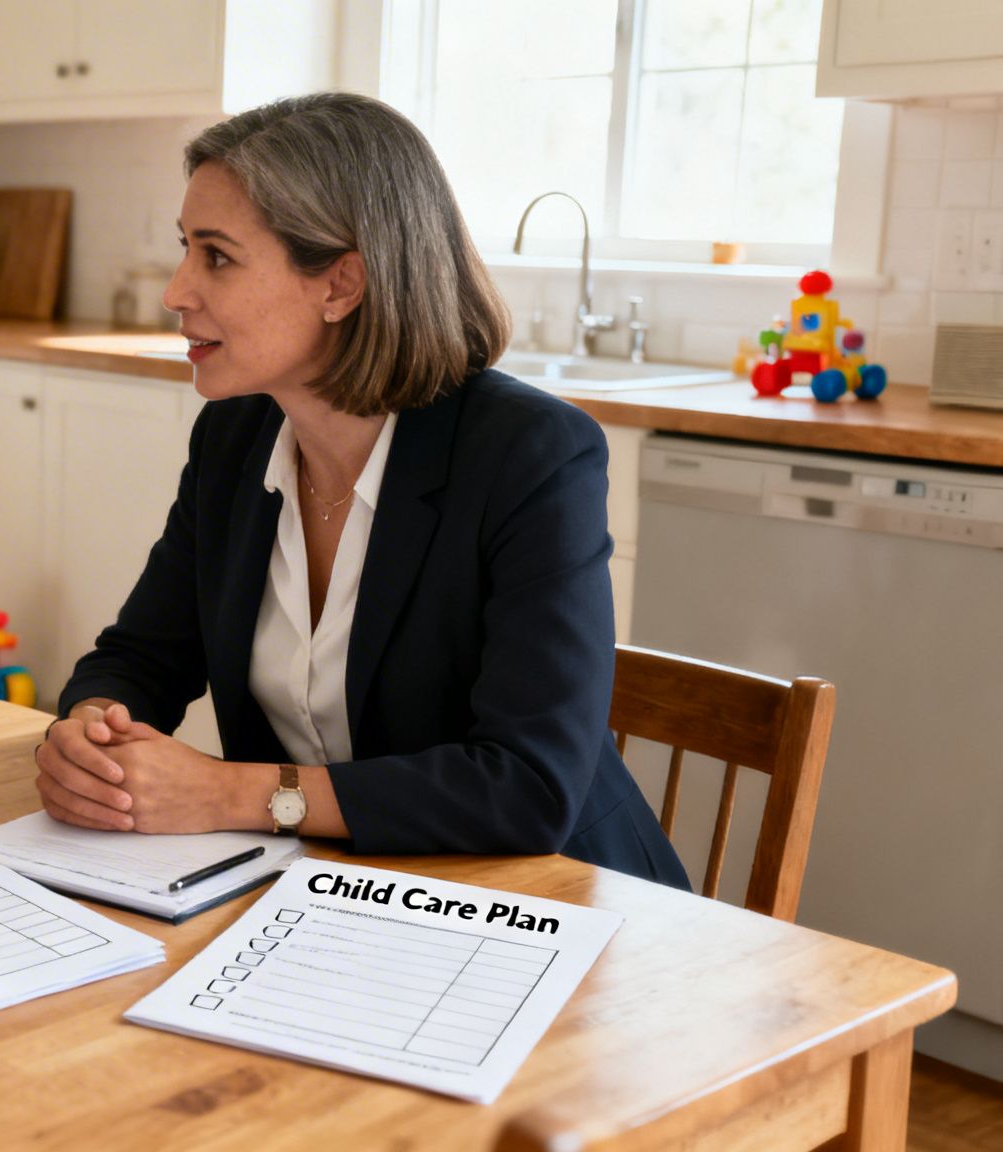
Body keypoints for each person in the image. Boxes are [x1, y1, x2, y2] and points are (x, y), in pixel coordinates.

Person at [34, 93, 689, 888]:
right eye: (185, 249)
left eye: (217, 256)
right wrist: (89, 733)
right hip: (336, 893)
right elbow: (142, 656)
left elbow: (528, 785)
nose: (176, 291)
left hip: (550, 903)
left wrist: (231, 792)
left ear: (340, 284)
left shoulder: (527, 454)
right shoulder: (235, 437)